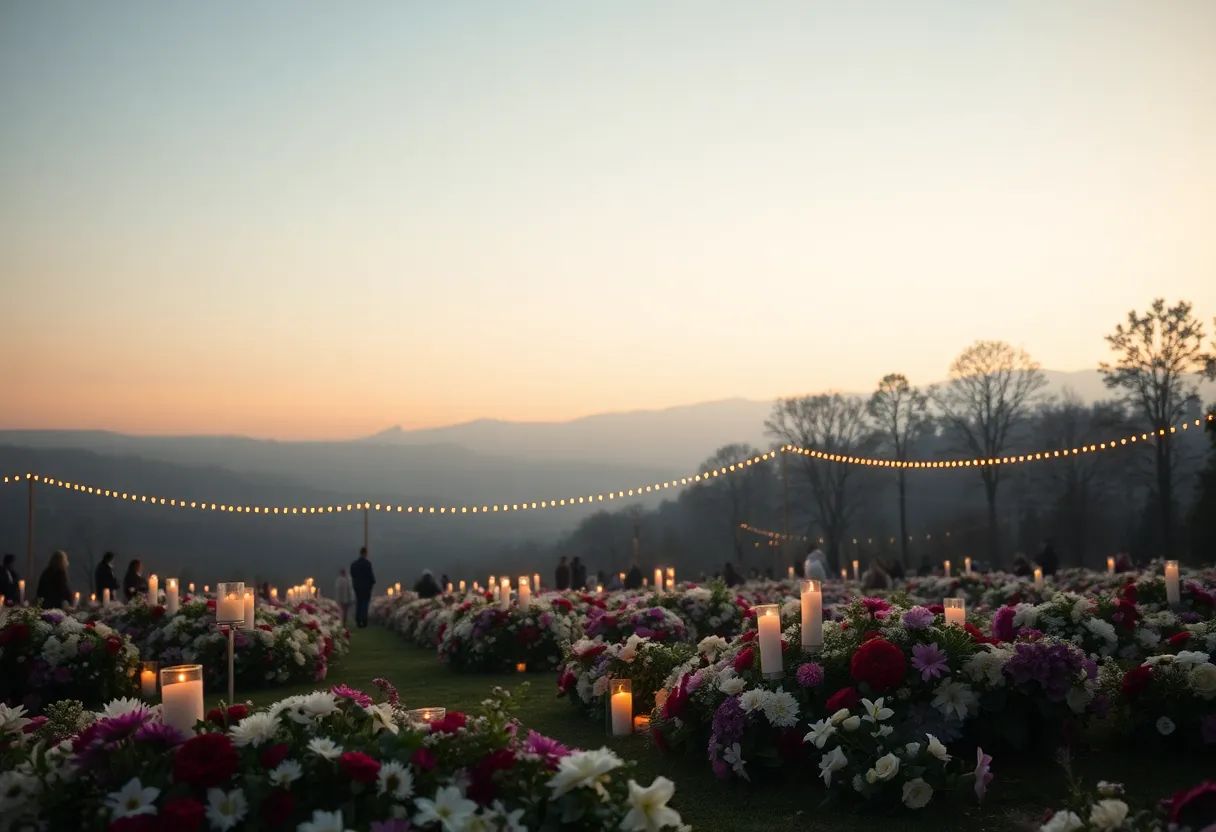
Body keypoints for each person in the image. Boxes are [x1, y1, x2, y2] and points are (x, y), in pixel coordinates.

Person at [349, 547, 375, 628]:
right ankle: (364, 621)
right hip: (366, 587)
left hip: (357, 587)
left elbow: (352, 574)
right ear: (365, 553)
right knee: (365, 604)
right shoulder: (367, 564)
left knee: (359, 603)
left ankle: (358, 620)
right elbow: (370, 576)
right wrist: (372, 582)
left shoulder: (354, 564)